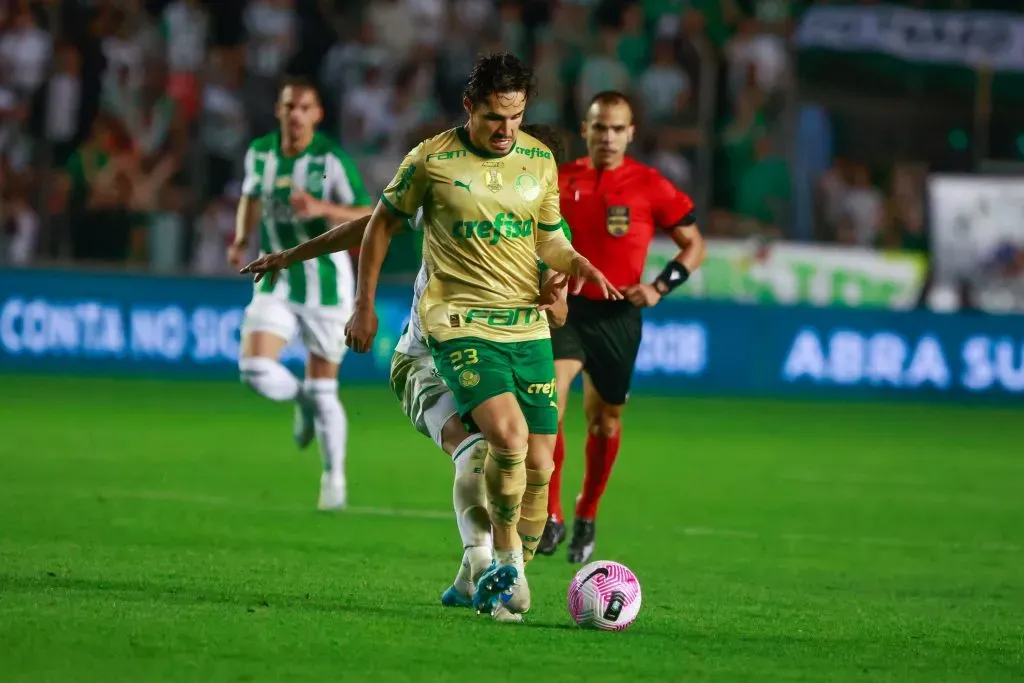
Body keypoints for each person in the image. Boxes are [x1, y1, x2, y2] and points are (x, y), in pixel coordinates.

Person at [239, 124, 572, 624]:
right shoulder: (458, 192)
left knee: (528, 466)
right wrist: (294, 257)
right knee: (480, 451)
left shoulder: (546, 227)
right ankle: (488, 564)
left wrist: (555, 302)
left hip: (502, 350)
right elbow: (373, 224)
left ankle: (476, 577)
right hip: (425, 356)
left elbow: (561, 305)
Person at [344, 52, 620, 617]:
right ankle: (504, 564)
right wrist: (364, 305)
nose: (506, 130)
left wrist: (575, 266)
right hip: (458, 322)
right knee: (506, 440)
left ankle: (495, 570)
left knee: (540, 469)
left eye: (516, 117)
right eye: (495, 116)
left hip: (526, 328)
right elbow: (379, 225)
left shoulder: (539, 161)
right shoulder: (432, 160)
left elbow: (549, 239)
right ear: (470, 106)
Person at [538, 91, 707, 563]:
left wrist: (658, 287)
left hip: (618, 317)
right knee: (548, 401)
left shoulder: (650, 185)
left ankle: (586, 511)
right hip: (568, 310)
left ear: (631, 133)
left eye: (616, 129)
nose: (607, 137)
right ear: (585, 130)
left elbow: (693, 245)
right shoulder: (559, 179)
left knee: (604, 422)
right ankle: (550, 515)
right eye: (598, 127)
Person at [229, 76, 373, 511]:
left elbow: (369, 212)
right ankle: (302, 400)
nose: (295, 114)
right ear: (279, 110)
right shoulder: (260, 153)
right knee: (254, 369)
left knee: (326, 388)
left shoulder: (330, 159)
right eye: (289, 106)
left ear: (317, 115)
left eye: (304, 107)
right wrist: (240, 237)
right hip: (276, 274)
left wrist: (322, 209)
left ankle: (334, 480)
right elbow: (250, 197)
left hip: (325, 282)